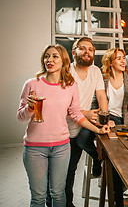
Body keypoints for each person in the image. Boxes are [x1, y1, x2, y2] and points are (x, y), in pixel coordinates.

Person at [17, 45, 109, 207]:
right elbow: (21, 117)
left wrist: (98, 129)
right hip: (34, 149)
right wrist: (29, 108)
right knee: (38, 197)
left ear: (63, 61)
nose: (49, 60)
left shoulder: (70, 86)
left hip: (61, 147)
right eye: (46, 56)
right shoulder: (32, 84)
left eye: (55, 56)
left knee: (58, 194)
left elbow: (76, 114)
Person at [65, 37, 108, 207]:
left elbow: (101, 95)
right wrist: (87, 113)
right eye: (82, 48)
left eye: (90, 49)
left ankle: (97, 159)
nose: (87, 52)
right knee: (66, 171)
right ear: (73, 51)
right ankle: (65, 203)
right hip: (64, 128)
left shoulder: (95, 71)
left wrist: (105, 117)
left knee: (71, 170)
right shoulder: (66, 71)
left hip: (83, 124)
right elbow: (63, 104)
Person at [95, 47, 128, 207]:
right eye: (118, 58)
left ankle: (121, 191)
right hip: (106, 121)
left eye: (123, 58)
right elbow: (96, 104)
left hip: (124, 122)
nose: (123, 61)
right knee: (115, 158)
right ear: (110, 62)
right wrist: (107, 120)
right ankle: (117, 199)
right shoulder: (102, 79)